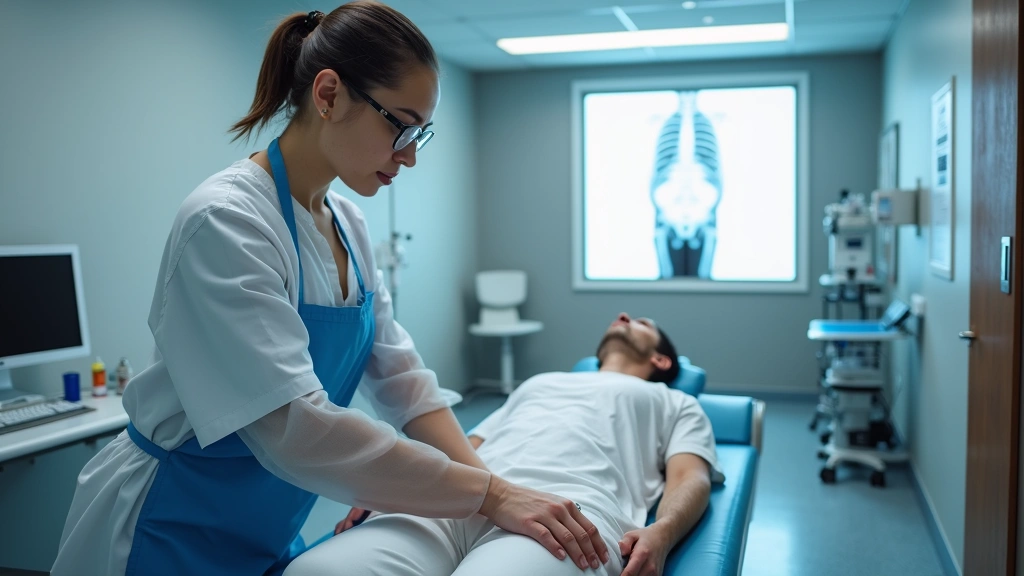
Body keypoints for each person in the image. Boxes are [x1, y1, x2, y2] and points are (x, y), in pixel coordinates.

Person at [50, 4, 608, 575]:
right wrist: (487, 496)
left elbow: (403, 381)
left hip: (270, 519)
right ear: (329, 95)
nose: (410, 155)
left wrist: (493, 494)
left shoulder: (348, 223)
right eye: (400, 126)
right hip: (173, 520)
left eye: (421, 133)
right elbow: (296, 428)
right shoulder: (227, 221)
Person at [286, 313, 723, 576]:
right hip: (456, 496)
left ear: (661, 360)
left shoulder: (674, 401)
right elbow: (463, 445)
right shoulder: (540, 382)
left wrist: (662, 533)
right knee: (314, 571)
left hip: (569, 510)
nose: (624, 316)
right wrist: (397, 486)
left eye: (641, 323)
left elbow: (690, 476)